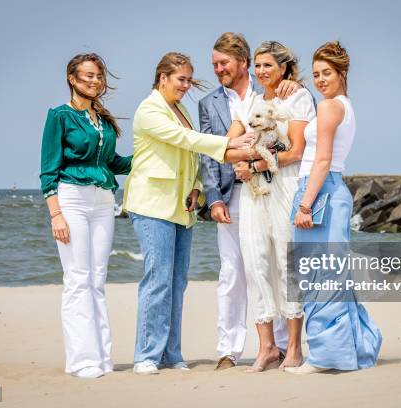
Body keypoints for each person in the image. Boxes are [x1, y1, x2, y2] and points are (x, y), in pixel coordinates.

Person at [123, 52, 252, 375]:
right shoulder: (149, 110)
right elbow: (186, 140)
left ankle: (171, 353)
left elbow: (188, 156)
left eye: (189, 80)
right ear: (162, 77)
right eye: (181, 79)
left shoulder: (179, 109)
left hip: (182, 207)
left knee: (177, 282)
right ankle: (147, 355)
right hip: (153, 205)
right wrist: (231, 146)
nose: (186, 86)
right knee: (157, 280)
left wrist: (197, 186)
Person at [199, 32, 301, 370]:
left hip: (271, 187)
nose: (217, 69)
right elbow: (210, 155)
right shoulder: (208, 103)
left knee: (276, 265)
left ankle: (285, 346)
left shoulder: (268, 92)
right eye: (214, 64)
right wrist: (213, 198)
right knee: (233, 271)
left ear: (242, 62)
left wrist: (287, 83)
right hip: (232, 195)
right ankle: (229, 349)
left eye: (223, 63)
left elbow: (290, 129)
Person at [287, 41, 382, 374]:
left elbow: (322, 159)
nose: (320, 79)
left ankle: (326, 357)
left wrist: (304, 205)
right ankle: (351, 349)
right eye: (315, 74)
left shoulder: (328, 108)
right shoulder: (345, 105)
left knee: (318, 276)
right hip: (333, 190)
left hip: (320, 192)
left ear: (342, 73)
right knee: (332, 274)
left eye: (326, 72)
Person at [40, 53, 132, 379]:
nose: (95, 81)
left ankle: (102, 357)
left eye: (98, 76)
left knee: (97, 279)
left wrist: (146, 157)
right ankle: (81, 360)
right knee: (77, 279)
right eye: (88, 76)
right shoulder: (60, 116)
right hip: (72, 199)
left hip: (104, 200)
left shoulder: (103, 119)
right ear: (72, 78)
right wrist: (56, 215)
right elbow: (48, 170)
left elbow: (112, 163)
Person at [230, 41, 316, 372]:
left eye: (268, 65)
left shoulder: (298, 97)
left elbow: (294, 151)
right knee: (255, 262)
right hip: (253, 194)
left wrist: (253, 163)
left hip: (284, 187)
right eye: (258, 65)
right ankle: (267, 347)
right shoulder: (251, 100)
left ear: (283, 68)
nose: (261, 71)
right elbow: (230, 141)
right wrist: (241, 158)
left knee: (286, 262)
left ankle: (294, 347)